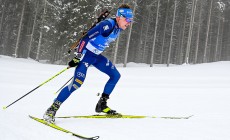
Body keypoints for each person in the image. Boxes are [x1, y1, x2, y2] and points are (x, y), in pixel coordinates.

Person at [43, 4, 133, 123]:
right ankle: (52, 109)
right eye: (127, 19)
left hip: (96, 57)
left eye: (131, 20)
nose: (129, 22)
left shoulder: (118, 27)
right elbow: (85, 38)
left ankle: (102, 104)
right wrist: (77, 57)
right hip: (86, 56)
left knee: (115, 75)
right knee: (76, 83)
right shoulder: (107, 25)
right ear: (119, 17)